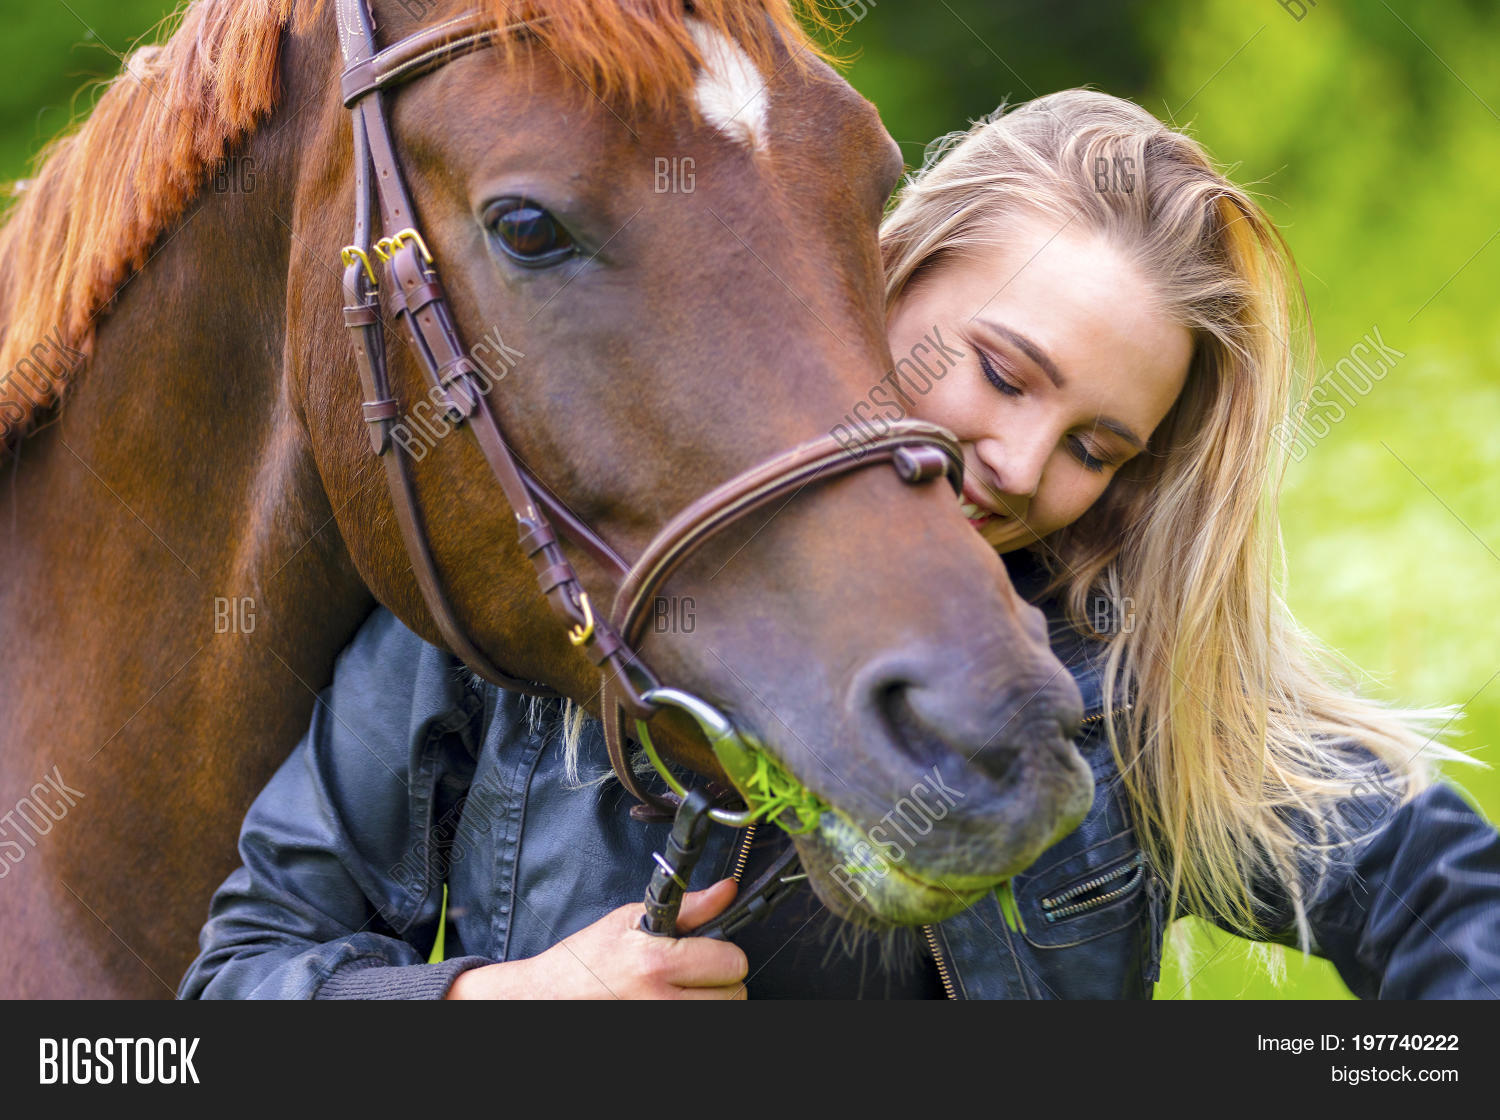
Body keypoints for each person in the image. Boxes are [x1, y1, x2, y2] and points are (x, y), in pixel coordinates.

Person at [180, 90, 1500, 1000]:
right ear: (883, 269)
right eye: (999, 369)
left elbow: (1443, 898)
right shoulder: (553, 573)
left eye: (1099, 447)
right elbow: (243, 976)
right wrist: (500, 1002)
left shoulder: (1115, 669)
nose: (1026, 469)